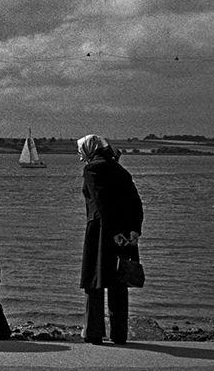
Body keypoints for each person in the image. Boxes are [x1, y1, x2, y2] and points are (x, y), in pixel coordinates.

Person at [77, 134, 144, 345]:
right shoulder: (120, 170)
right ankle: (119, 333)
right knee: (119, 283)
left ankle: (94, 333)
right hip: (125, 234)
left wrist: (114, 232)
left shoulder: (92, 169)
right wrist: (134, 231)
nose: (79, 155)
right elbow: (136, 202)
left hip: (101, 231)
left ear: (89, 149)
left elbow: (101, 201)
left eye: (81, 150)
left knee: (94, 282)